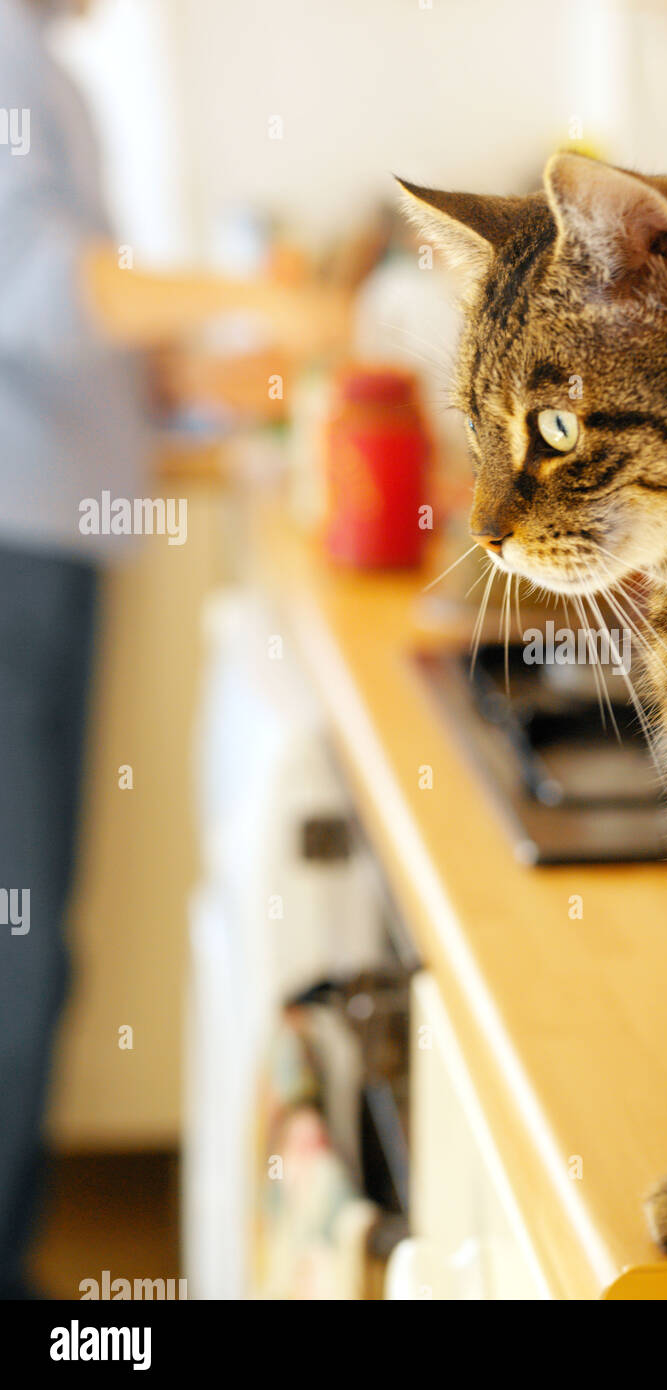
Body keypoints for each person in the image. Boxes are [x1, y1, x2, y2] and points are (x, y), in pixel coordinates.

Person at [0, 0, 349, 1298]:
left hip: (44, 543)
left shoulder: (42, 68)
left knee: (32, 940)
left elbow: (81, 338)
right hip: (18, 552)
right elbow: (43, 289)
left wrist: (212, 376)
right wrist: (264, 294)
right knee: (20, 947)